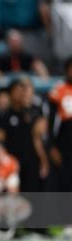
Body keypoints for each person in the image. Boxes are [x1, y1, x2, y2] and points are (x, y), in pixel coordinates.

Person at [48, 57, 72, 192]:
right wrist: (52, 147)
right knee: (65, 179)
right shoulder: (58, 91)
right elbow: (51, 121)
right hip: (65, 140)